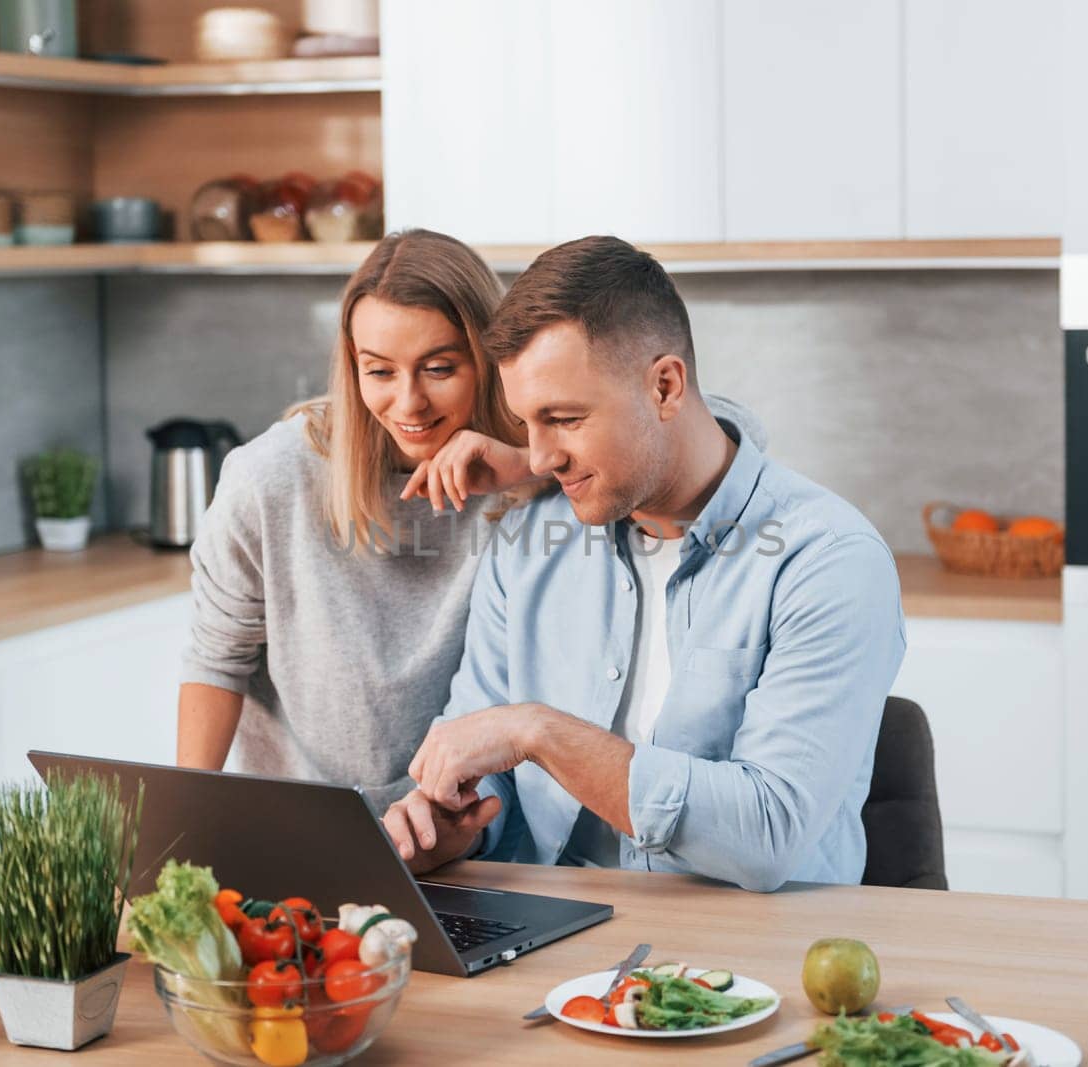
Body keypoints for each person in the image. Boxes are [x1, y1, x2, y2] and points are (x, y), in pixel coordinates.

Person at [381, 236, 906, 892]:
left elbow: (768, 834)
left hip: (745, 959)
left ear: (665, 385)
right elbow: (484, 764)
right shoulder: (527, 541)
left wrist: (538, 731)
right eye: (525, 423)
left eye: (564, 418)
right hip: (552, 938)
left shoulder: (826, 560)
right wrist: (452, 822)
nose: (538, 458)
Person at [176, 229, 537, 819]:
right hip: (302, 831)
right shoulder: (270, 478)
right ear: (351, 365)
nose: (409, 403)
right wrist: (182, 827)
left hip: (474, 833)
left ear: (490, 358)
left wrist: (529, 466)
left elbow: (711, 437)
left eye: (440, 368)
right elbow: (217, 660)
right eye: (380, 371)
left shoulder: (537, 474)